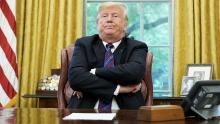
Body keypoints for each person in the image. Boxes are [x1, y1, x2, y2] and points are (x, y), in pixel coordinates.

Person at [68, 2, 148, 110]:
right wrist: (119, 88)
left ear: (125, 24)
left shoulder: (137, 47)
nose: (109, 19)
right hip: (85, 109)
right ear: (98, 23)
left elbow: (135, 73)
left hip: (127, 111)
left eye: (115, 16)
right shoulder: (84, 44)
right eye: (104, 16)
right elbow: (76, 78)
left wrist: (94, 72)